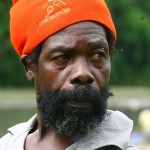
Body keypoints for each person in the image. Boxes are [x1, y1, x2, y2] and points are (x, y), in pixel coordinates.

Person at [0, 0, 138, 149]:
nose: (83, 73)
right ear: (30, 67)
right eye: (62, 57)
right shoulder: (7, 144)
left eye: (98, 55)